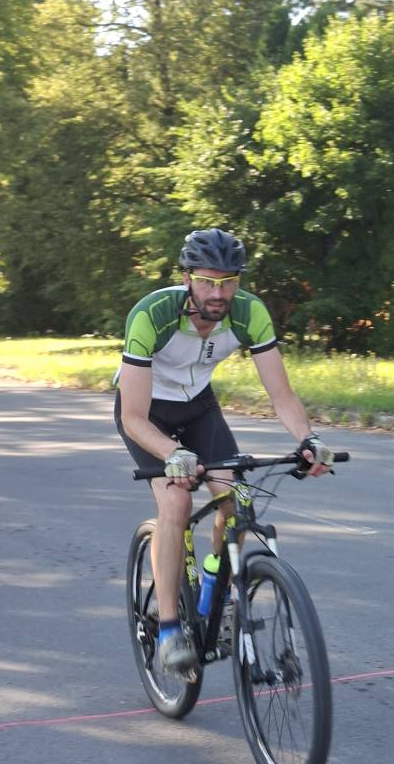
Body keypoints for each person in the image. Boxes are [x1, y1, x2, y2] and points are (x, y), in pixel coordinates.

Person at [115, 227, 334, 678]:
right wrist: (172, 452)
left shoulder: (249, 313)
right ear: (187, 279)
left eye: (228, 282)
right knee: (177, 501)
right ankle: (170, 630)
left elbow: (282, 396)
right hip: (148, 415)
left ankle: (214, 586)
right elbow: (133, 417)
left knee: (235, 495)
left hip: (199, 407)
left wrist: (307, 441)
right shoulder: (152, 315)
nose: (218, 293)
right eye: (207, 282)